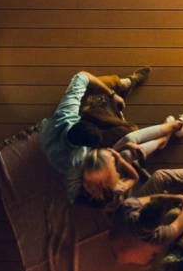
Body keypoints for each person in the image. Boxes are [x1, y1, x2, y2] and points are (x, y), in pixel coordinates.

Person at [39, 68, 150, 200]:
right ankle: (118, 92)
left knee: (91, 87)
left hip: (50, 136)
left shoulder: (66, 113)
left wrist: (112, 95)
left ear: (78, 121)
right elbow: (73, 194)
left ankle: (123, 84)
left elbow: (82, 76)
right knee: (128, 131)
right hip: (60, 147)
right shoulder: (77, 162)